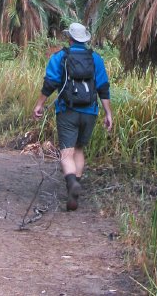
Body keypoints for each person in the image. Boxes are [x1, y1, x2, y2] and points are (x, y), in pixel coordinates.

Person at [33, 21, 113, 211]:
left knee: (66, 152)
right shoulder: (96, 59)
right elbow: (103, 88)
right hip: (90, 112)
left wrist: (39, 104)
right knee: (78, 149)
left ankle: (71, 185)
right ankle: (75, 183)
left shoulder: (60, 57)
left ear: (69, 38)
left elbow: (50, 83)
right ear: (84, 39)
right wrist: (108, 113)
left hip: (67, 110)